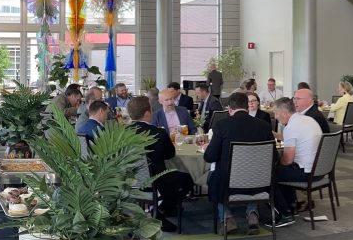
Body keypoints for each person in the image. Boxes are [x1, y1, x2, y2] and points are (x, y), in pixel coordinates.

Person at [204, 91, 288, 231]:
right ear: (247, 107)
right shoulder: (264, 126)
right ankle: (252, 213)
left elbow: (210, 157)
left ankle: (227, 217)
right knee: (251, 174)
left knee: (212, 177)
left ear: (229, 109)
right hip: (260, 182)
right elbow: (274, 157)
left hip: (228, 184)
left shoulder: (221, 126)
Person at [126, 96, 192, 232]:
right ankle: (162, 210)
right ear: (147, 113)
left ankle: (164, 209)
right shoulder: (158, 133)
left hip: (129, 180)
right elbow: (170, 154)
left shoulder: (123, 133)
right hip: (156, 179)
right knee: (187, 180)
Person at [269, 97, 322, 217]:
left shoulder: (291, 127)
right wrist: (276, 135)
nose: (276, 117)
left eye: (276, 113)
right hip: (319, 170)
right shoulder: (308, 120)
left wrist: (277, 163)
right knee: (282, 171)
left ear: (284, 113)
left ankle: (283, 212)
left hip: (306, 173)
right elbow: (297, 137)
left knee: (270, 174)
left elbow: (288, 160)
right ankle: (292, 204)